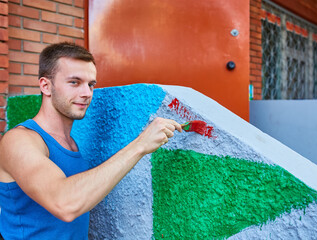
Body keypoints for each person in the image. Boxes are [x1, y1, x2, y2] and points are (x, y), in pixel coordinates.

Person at [0, 42, 182, 239]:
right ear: (46, 86)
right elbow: (65, 204)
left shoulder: (70, 143)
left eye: (91, 84)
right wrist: (140, 145)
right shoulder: (19, 140)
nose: (87, 93)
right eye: (74, 82)